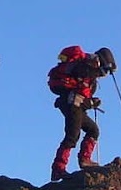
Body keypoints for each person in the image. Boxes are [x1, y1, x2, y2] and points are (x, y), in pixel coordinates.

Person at [47, 45, 116, 179]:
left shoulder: (89, 75)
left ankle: (83, 160)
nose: (104, 74)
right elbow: (80, 84)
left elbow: (82, 94)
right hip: (72, 105)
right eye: (105, 70)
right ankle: (59, 168)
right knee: (72, 135)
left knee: (93, 130)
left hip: (75, 105)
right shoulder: (86, 67)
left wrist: (91, 102)